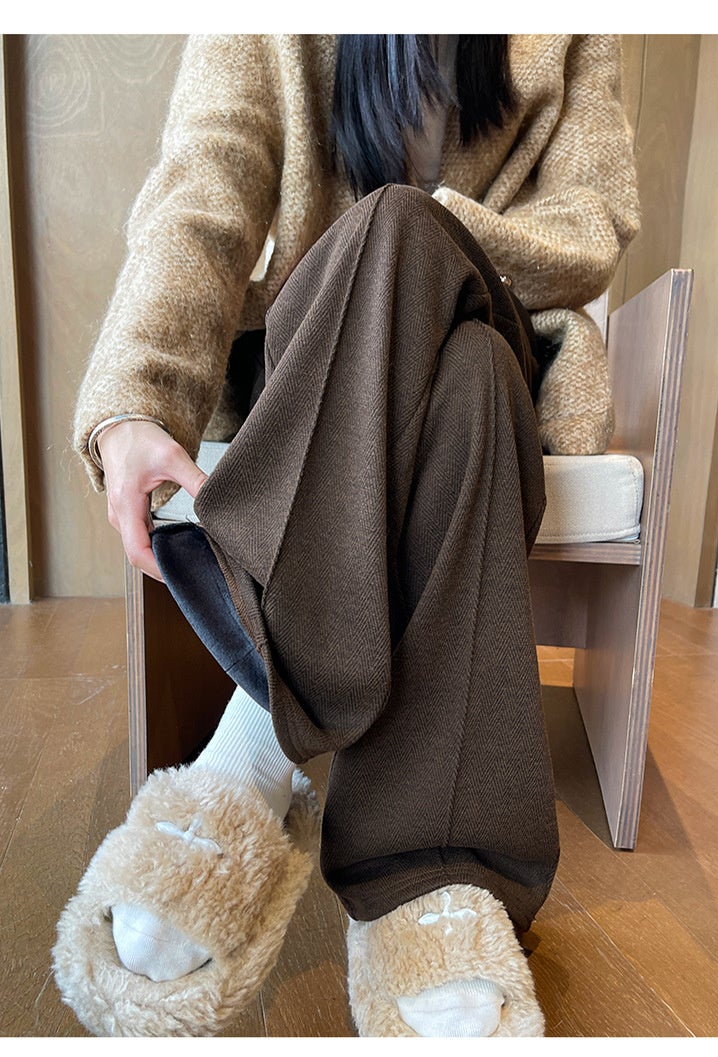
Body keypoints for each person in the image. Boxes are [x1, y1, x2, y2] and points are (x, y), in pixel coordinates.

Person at [52, 35, 640, 1038]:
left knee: (409, 238)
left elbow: (591, 219)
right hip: (318, 361)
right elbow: (206, 181)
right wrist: (137, 394)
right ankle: (432, 874)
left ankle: (255, 745)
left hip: (500, 309)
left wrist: (433, 228)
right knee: (470, 386)